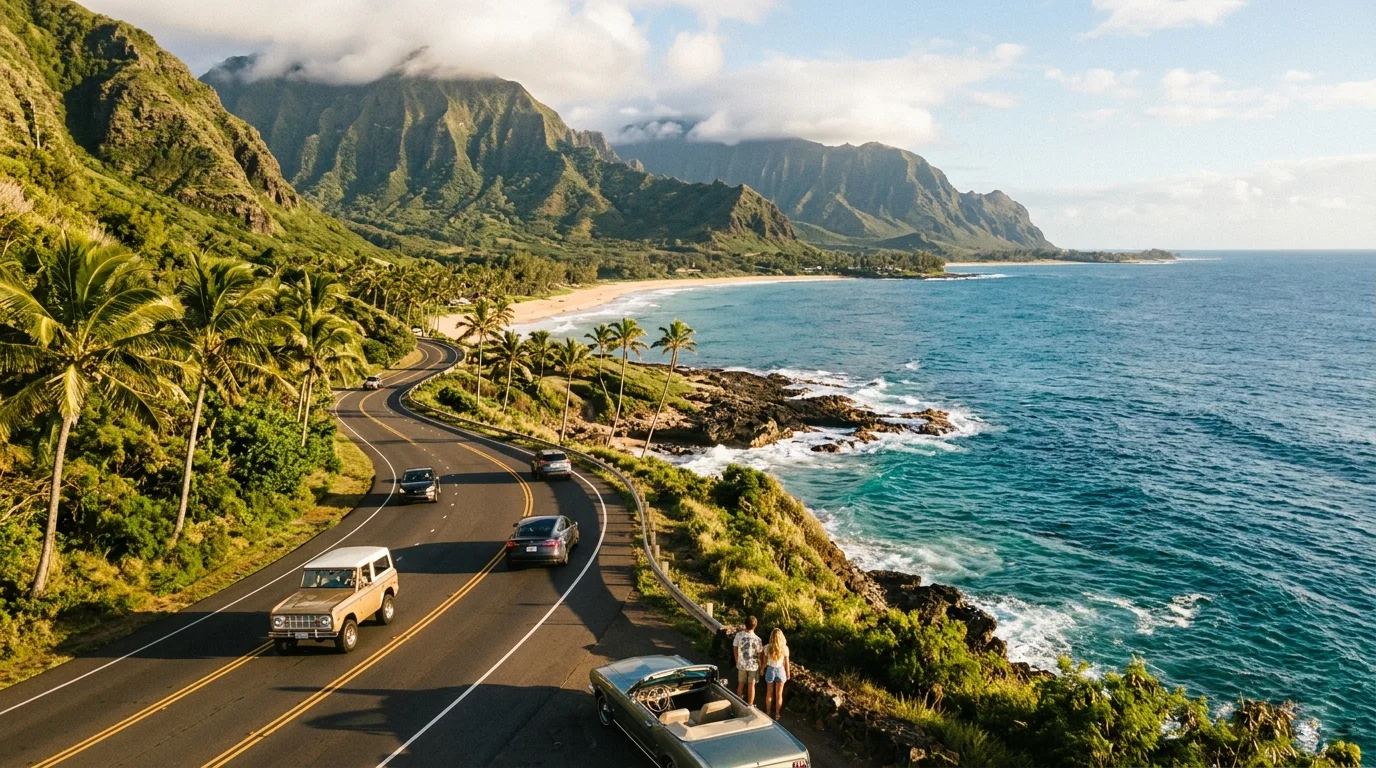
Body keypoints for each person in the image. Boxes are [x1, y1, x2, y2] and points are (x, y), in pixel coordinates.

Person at [732, 616, 762, 706]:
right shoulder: (758, 639)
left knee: (740, 683)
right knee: (751, 685)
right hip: (753, 665)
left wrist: (737, 659)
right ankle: (750, 704)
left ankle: (738, 702)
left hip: (741, 663)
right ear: (755, 625)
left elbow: (735, 647)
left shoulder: (739, 635)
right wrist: (761, 665)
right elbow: (760, 652)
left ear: (745, 624)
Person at [762, 628, 790, 720]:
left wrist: (762, 669)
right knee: (779, 695)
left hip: (770, 669)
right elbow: (786, 662)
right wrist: (788, 673)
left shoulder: (767, 647)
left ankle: (768, 712)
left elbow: (764, 661)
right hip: (780, 670)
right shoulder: (785, 648)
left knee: (769, 693)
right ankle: (777, 714)